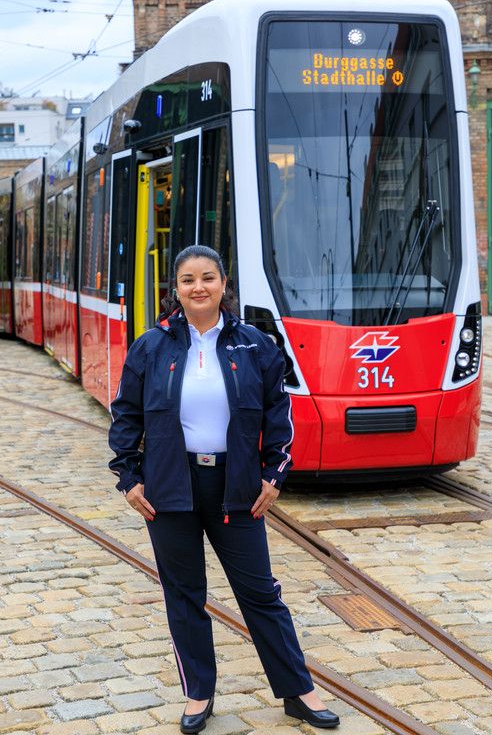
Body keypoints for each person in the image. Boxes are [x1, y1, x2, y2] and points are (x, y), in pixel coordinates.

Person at [108, 245, 340, 733]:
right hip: (170, 486)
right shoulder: (151, 346)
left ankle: (299, 691)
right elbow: (126, 413)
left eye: (208, 278)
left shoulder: (255, 344)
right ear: (176, 288)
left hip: (236, 485)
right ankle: (198, 694)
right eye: (188, 279)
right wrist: (129, 479)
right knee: (184, 593)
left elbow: (280, 412)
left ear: (223, 284)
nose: (199, 287)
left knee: (260, 592)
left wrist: (274, 474)